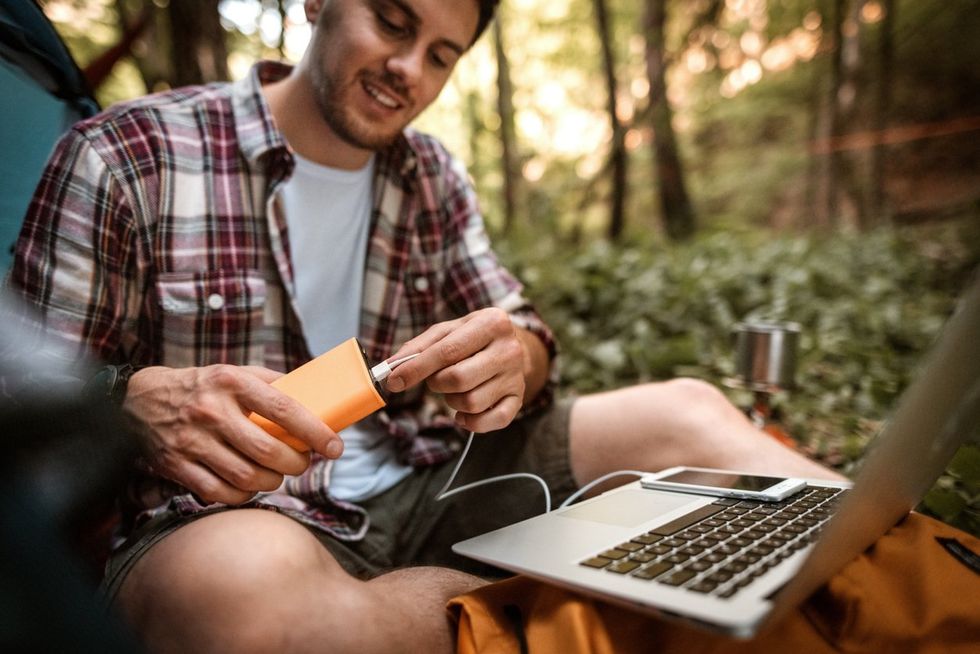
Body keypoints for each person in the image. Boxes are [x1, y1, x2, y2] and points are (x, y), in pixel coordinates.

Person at [7, 0, 838, 652]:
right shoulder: (128, 153)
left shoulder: (431, 173)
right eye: (392, 22)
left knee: (685, 410)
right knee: (250, 616)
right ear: (315, 0)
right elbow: (26, 403)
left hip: (436, 481)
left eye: (442, 54)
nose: (408, 69)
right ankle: (613, 606)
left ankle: (916, 581)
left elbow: (524, 332)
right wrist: (127, 398)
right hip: (222, 523)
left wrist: (518, 356)